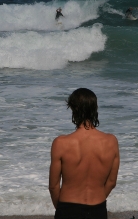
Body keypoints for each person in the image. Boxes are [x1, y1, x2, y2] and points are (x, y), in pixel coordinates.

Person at [49, 88, 120, 219]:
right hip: (98, 208)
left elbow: (53, 187)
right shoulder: (111, 142)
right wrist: (96, 201)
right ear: (95, 108)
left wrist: (61, 209)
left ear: (74, 110)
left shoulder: (61, 143)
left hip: (68, 208)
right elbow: (111, 182)